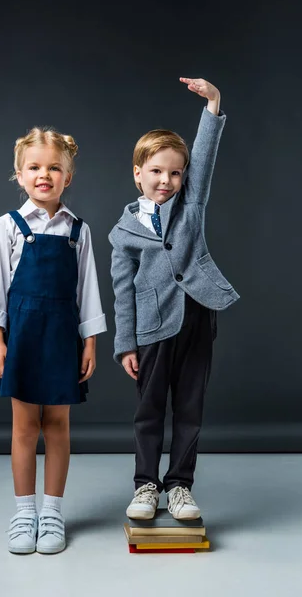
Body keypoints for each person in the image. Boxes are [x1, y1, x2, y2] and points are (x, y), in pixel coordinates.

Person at [108, 77, 239, 521]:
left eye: (175, 172)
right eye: (157, 171)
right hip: (151, 327)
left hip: (198, 317)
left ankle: (180, 486)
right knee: (149, 410)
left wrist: (213, 104)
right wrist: (125, 343)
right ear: (137, 173)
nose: (166, 180)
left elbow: (204, 157)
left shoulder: (190, 205)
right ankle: (146, 484)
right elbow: (122, 291)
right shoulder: (122, 234)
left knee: (189, 408)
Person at [0, 127, 106, 554]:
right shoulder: (7, 226)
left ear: (68, 177)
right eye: (34, 167)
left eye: (55, 167)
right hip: (23, 337)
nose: (44, 174)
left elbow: (87, 291)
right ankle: (24, 511)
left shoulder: (78, 231)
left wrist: (90, 342)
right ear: (19, 174)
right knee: (24, 427)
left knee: (58, 425)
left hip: (63, 336)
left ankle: (52, 512)